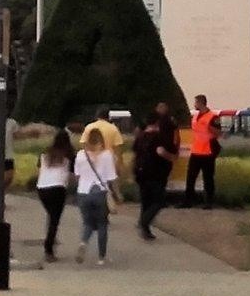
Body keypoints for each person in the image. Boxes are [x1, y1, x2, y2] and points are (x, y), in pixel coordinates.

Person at [74, 126, 121, 265]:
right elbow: (112, 177)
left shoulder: (80, 155)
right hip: (100, 192)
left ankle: (83, 242)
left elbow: (77, 175)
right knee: (102, 224)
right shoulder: (107, 155)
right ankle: (101, 257)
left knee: (88, 223)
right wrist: (117, 194)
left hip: (83, 192)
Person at [132, 108, 177, 240]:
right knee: (159, 201)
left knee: (146, 200)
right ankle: (144, 222)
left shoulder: (140, 137)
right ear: (158, 122)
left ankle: (145, 229)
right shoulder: (159, 138)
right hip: (155, 172)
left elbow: (135, 152)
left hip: (140, 172)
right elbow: (162, 152)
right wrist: (170, 157)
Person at [35, 129, 74, 262]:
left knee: (51, 216)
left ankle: (50, 239)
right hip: (58, 188)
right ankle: (48, 248)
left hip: (42, 188)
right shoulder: (68, 155)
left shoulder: (45, 153)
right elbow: (72, 174)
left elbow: (39, 170)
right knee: (54, 219)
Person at [183, 94, 220, 208]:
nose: (194, 105)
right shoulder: (195, 116)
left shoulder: (213, 117)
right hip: (196, 151)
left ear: (201, 103)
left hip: (208, 151)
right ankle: (188, 201)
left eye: (196, 102)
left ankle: (209, 202)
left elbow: (218, 133)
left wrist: (210, 128)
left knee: (208, 178)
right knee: (190, 177)